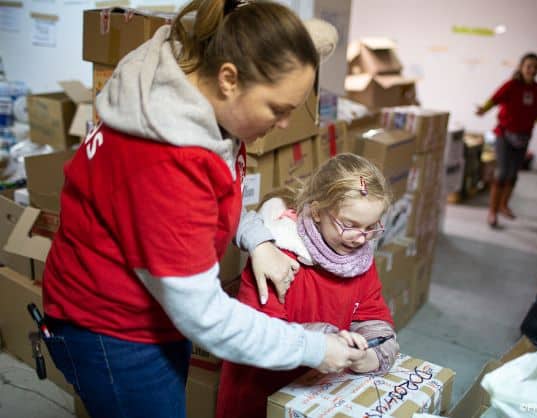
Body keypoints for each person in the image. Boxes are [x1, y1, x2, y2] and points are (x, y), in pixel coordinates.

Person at [40, 2, 363, 418]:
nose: (284, 124)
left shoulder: (190, 75)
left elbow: (210, 202)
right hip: (110, 328)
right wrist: (313, 348)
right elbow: (205, 316)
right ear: (229, 79)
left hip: (153, 308)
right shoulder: (166, 162)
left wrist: (254, 235)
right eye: (278, 109)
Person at [216, 153, 401, 418]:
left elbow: (372, 313)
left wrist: (370, 353)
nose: (360, 238)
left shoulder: (359, 261)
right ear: (316, 211)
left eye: (371, 228)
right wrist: (323, 340)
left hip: (314, 396)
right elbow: (257, 333)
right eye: (348, 225)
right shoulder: (278, 257)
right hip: (259, 396)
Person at [476, 52, 537, 228]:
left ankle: (504, 205)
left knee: (514, 174)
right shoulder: (511, 85)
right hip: (504, 135)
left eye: (536, 67)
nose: (532, 69)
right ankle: (492, 212)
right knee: (502, 172)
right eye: (529, 66)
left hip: (523, 138)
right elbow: (494, 99)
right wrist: (483, 109)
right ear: (521, 67)